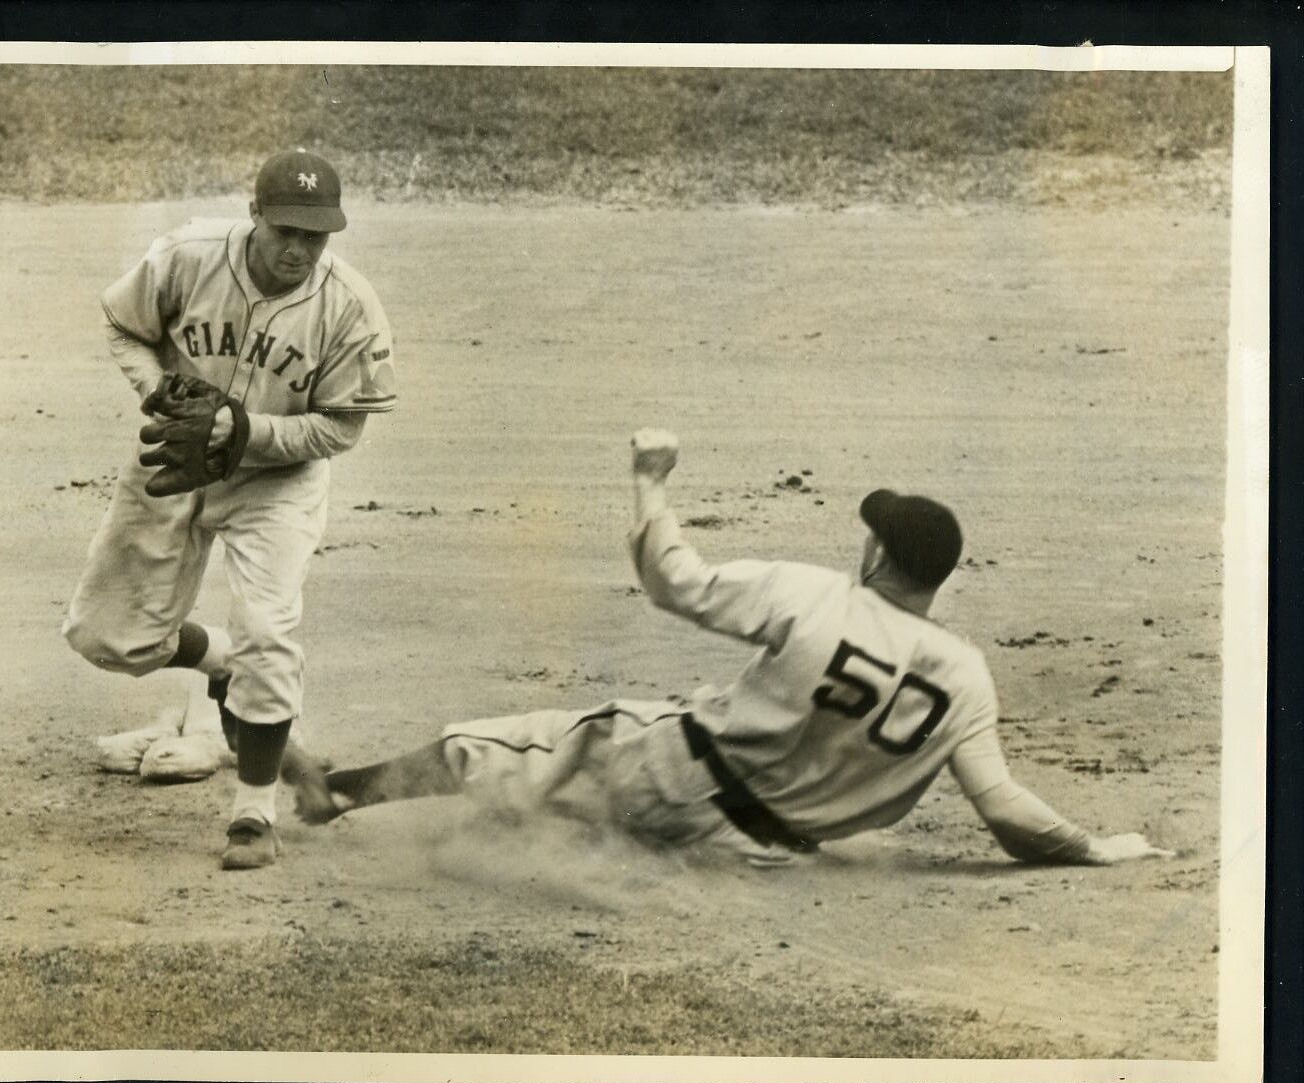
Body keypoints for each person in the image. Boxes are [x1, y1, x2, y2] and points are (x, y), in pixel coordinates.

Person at [284, 429, 1174, 870]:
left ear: (876, 554)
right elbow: (1005, 810)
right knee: (546, 809)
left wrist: (648, 483)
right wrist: (1092, 848)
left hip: (668, 775)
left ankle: (334, 795)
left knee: (486, 746)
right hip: (761, 856)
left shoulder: (818, 595)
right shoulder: (968, 680)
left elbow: (674, 583)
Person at [63, 148, 397, 871]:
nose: (301, 250)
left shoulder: (347, 306)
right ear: (254, 216)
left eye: (317, 236)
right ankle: (221, 663)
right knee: (106, 638)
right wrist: (157, 392)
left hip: (277, 483)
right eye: (287, 232)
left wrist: (247, 432)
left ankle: (254, 813)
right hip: (175, 461)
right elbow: (124, 326)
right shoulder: (187, 257)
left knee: (270, 633)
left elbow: (341, 426)